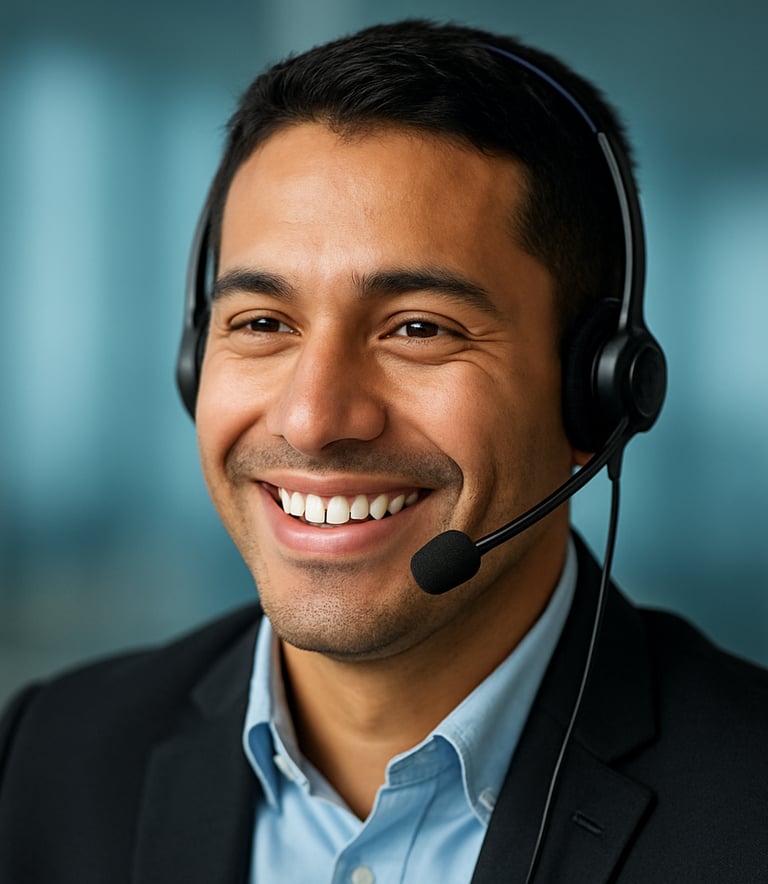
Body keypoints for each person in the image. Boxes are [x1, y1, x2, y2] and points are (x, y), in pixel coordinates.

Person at [1, 19, 766, 884]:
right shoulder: (48, 758)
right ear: (193, 362)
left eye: (418, 329)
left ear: (596, 390)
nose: (314, 417)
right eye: (262, 323)